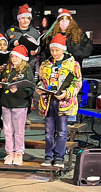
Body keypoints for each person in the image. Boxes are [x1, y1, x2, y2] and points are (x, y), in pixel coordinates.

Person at [37, 34, 82, 168]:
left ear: (63, 49)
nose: (54, 53)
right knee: (48, 131)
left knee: (62, 131)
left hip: (63, 103)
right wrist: (40, 88)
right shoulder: (45, 64)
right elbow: (41, 81)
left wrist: (66, 93)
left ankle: (59, 157)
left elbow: (77, 82)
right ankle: (48, 156)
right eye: (52, 50)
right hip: (48, 101)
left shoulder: (72, 64)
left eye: (57, 50)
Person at [0, 45, 34, 166]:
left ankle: (18, 153)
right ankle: (9, 152)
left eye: (16, 56)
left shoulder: (26, 70)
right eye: (12, 56)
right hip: (7, 103)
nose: (14, 58)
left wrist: (18, 91)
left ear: (22, 58)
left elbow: (30, 87)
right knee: (7, 130)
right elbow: (2, 81)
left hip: (20, 104)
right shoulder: (8, 69)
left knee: (18, 130)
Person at [5, 4, 40, 125]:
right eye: (22, 18)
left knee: (26, 88)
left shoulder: (34, 32)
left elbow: (39, 46)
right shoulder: (11, 31)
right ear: (18, 18)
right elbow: (5, 45)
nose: (25, 20)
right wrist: (12, 43)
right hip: (14, 64)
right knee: (13, 87)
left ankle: (26, 114)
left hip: (28, 64)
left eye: (27, 18)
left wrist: (36, 50)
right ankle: (10, 110)